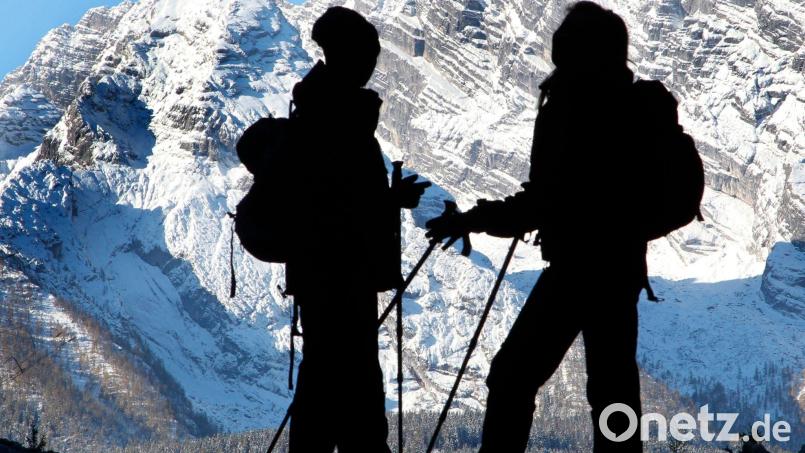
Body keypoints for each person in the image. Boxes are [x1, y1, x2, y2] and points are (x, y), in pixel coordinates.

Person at [426, 2, 692, 452]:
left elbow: (546, 199)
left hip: (577, 269)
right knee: (612, 393)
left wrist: (477, 219)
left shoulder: (574, 104)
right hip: (620, 267)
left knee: (512, 377)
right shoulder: (625, 103)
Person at [284, 7, 429, 453]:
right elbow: (338, 206)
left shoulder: (318, 111)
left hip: (323, 277)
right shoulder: (338, 120)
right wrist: (390, 201)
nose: (373, 65)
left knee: (322, 384)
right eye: (368, 55)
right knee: (355, 387)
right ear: (348, 54)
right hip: (341, 278)